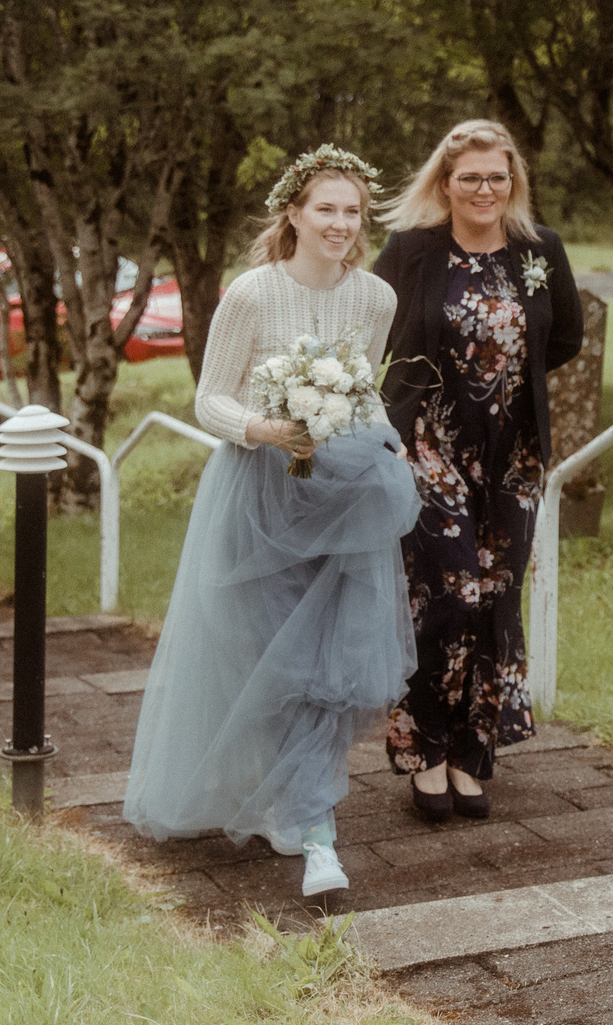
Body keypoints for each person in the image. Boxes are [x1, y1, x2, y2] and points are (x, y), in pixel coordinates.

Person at [124, 145, 420, 901]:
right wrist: (266, 428)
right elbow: (209, 400)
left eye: (352, 212)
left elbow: (366, 392)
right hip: (258, 494)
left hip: (345, 495)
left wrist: (389, 441)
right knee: (267, 661)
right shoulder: (252, 294)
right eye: (326, 208)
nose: (340, 224)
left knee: (330, 665)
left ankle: (316, 829)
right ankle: (272, 796)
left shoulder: (376, 298)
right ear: (293, 212)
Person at [373, 118, 584, 822]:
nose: (485, 188)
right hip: (430, 447)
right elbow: (369, 331)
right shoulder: (411, 251)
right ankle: (425, 751)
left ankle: (471, 757)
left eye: (497, 176)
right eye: (471, 177)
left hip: (513, 454)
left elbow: (566, 336)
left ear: (512, 180)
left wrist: (501, 389)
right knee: (448, 593)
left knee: (496, 598)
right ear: (445, 182)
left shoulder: (539, 250)